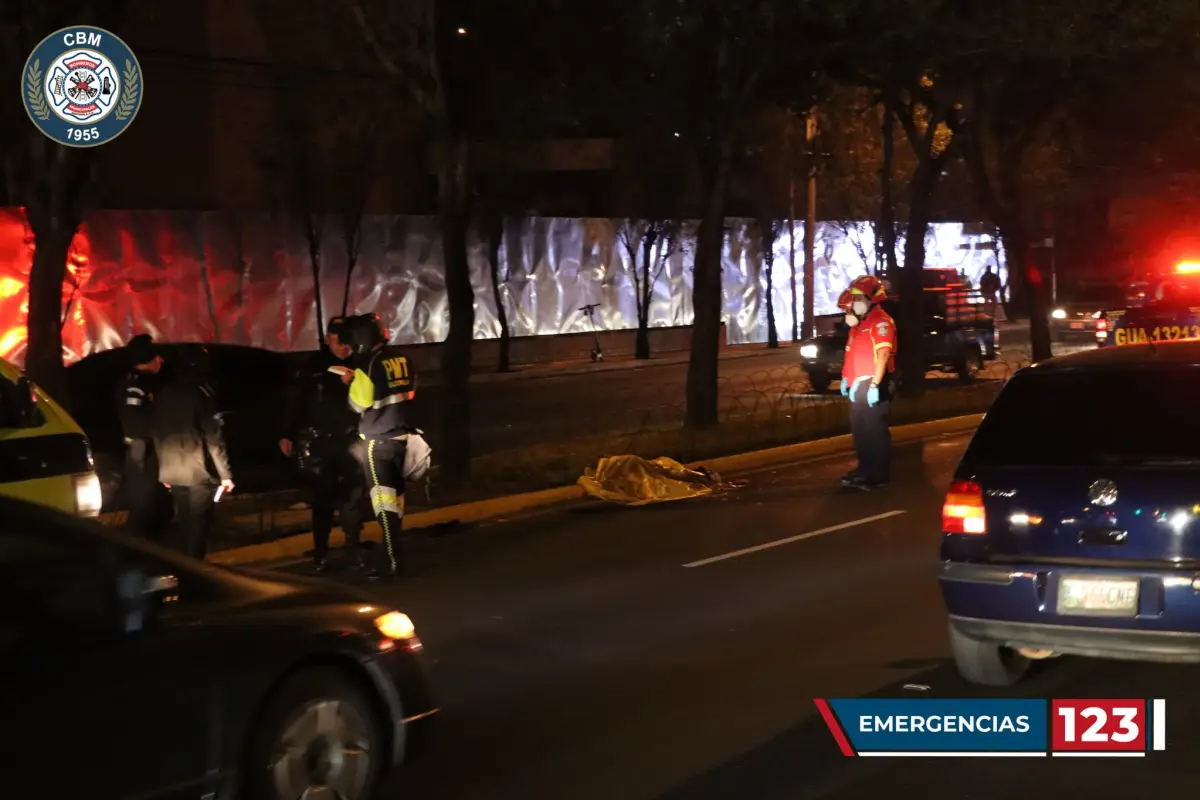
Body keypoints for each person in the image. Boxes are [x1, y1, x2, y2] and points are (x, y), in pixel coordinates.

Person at [279, 317, 366, 574]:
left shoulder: (358, 364)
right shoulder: (313, 366)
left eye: (348, 341)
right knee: (322, 502)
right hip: (321, 443)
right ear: (328, 338)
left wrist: (357, 382)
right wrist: (287, 433)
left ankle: (353, 552)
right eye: (339, 341)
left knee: (351, 500)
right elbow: (296, 402)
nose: (344, 347)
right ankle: (321, 555)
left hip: (351, 441)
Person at [340, 313, 416, 581]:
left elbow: (357, 405)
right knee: (396, 503)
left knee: (384, 507)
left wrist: (351, 383)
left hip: (377, 443)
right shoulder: (402, 359)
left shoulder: (368, 366)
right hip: (402, 439)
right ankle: (391, 558)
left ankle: (391, 564)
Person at [152, 345, 234, 559]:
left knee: (183, 521)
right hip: (197, 470)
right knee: (199, 524)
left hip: (172, 468)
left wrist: (163, 469)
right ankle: (195, 570)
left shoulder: (164, 393)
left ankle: (182, 566)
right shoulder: (202, 393)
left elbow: (157, 433)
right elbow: (214, 437)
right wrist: (225, 474)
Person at [838, 275, 897, 491]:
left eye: (857, 298)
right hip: (858, 385)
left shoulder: (881, 322)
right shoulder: (858, 327)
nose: (853, 303)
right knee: (860, 429)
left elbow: (882, 356)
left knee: (874, 430)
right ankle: (865, 468)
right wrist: (847, 378)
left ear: (871, 298)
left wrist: (874, 385)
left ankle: (877, 474)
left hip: (875, 382)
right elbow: (850, 356)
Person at [116, 334, 164, 537]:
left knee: (146, 495)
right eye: (156, 357)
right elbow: (134, 419)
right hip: (140, 446)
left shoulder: (138, 382)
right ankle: (139, 541)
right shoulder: (136, 385)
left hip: (141, 445)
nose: (161, 360)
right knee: (142, 495)